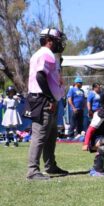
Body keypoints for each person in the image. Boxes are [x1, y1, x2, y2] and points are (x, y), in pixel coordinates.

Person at [25, 28, 68, 180]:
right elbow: (40, 76)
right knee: (40, 135)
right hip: (43, 99)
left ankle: (50, 165)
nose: (60, 43)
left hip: (47, 98)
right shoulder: (45, 53)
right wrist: (50, 98)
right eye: (57, 40)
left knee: (50, 135)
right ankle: (32, 170)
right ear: (49, 40)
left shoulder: (47, 54)